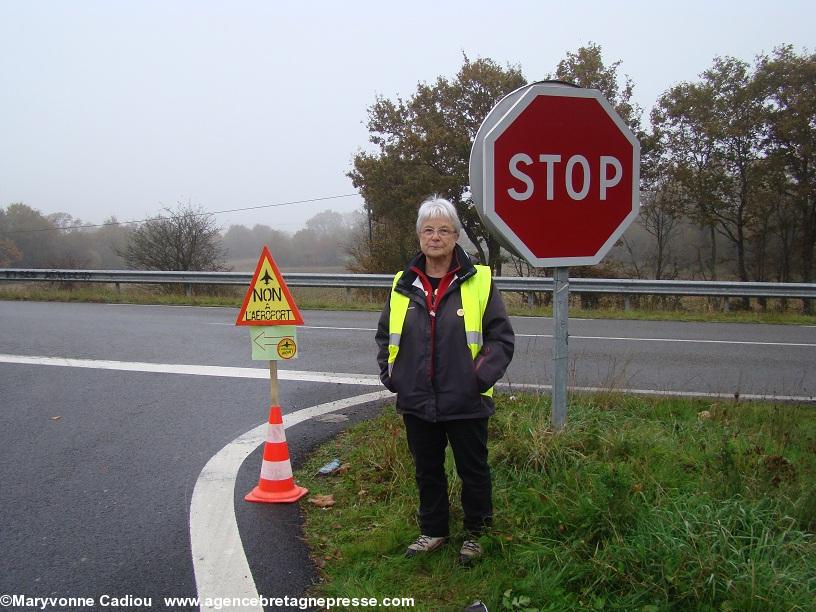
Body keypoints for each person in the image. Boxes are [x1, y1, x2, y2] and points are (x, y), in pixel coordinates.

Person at [375, 195, 515, 564]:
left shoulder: (478, 281)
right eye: (428, 230)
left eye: (444, 230)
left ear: (456, 237)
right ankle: (433, 530)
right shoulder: (403, 283)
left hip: (466, 399)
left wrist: (477, 379)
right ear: (419, 236)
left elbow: (500, 338)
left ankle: (477, 534)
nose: (435, 237)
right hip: (417, 398)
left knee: (473, 470)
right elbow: (385, 333)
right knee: (427, 470)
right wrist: (393, 377)